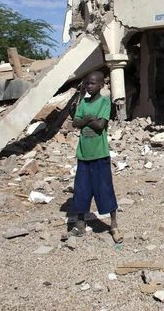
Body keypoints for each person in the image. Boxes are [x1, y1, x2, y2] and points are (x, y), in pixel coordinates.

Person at [71, 70, 122, 243]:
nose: (88, 86)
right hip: (83, 155)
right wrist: (89, 118)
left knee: (105, 189)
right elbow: (75, 122)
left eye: (92, 83)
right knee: (81, 190)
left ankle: (114, 225)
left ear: (101, 85)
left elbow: (101, 125)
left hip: (100, 155)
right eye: (87, 83)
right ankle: (80, 224)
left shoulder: (104, 101)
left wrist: (85, 119)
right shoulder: (83, 103)